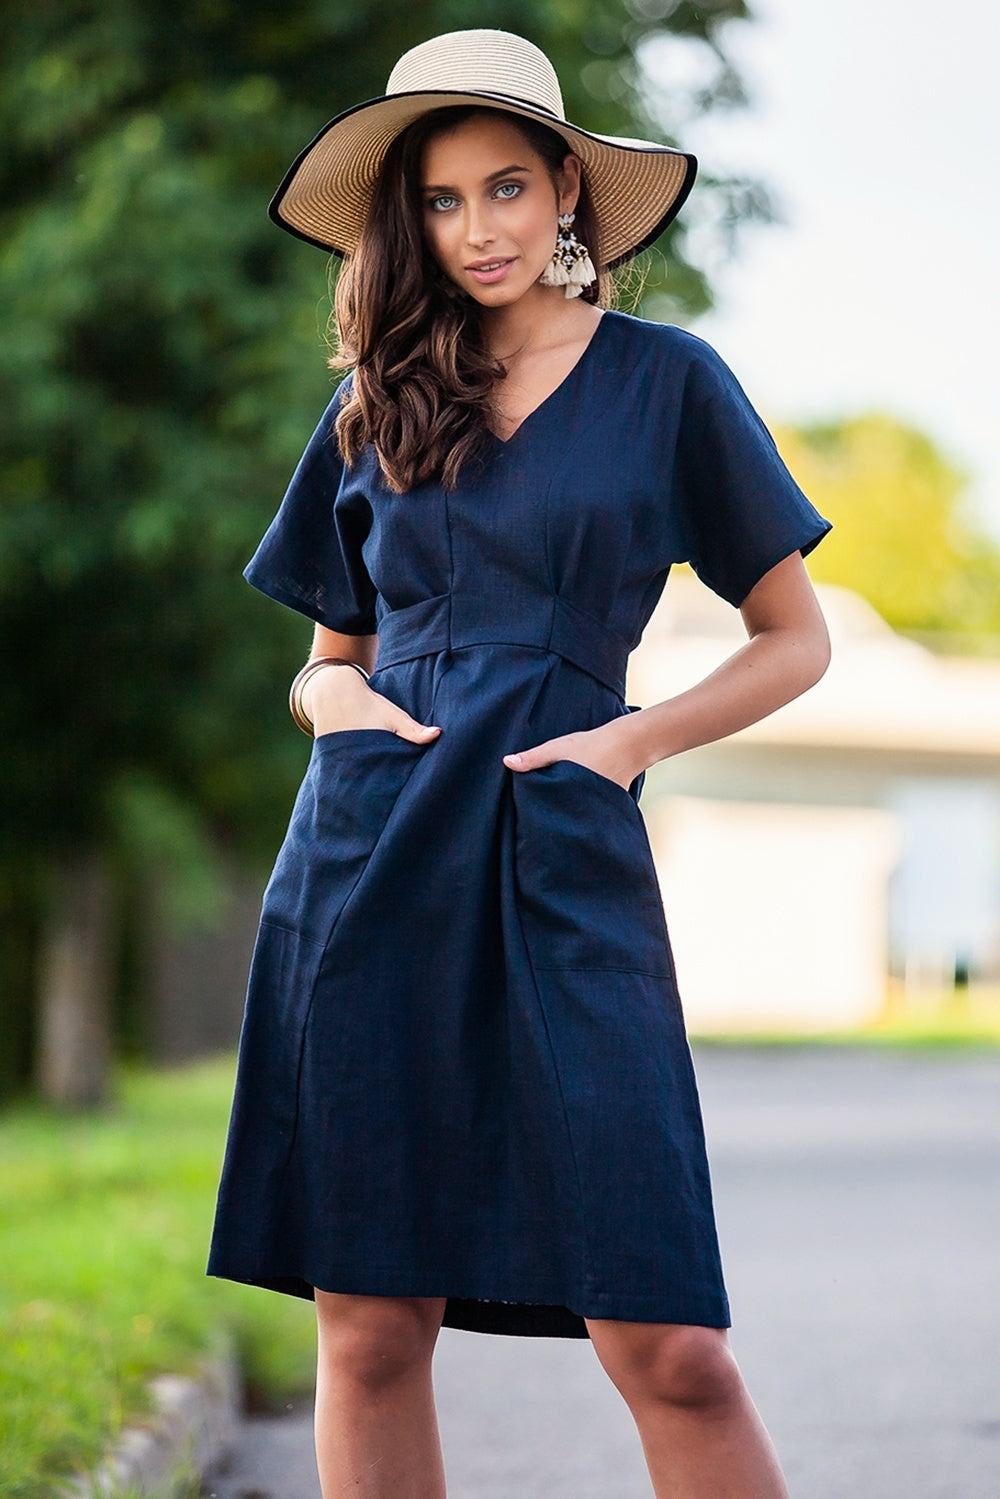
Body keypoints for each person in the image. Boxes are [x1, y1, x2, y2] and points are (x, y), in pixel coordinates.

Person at [208, 28, 833, 1499]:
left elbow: (792, 639)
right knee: (367, 1329)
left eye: (506, 187)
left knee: (670, 1342)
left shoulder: (668, 383)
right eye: (440, 200)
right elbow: (325, 653)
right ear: (405, 221)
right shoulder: (375, 400)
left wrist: (627, 742)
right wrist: (327, 706)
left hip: (564, 856)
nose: (478, 229)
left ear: (566, 188)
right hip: (367, 868)